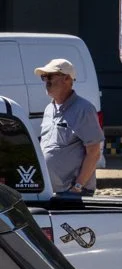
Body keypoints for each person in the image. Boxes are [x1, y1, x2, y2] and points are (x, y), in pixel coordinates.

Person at [34, 58, 102, 199]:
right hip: (50, 190)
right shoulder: (49, 109)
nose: (47, 81)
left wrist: (78, 186)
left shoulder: (84, 109)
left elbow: (94, 152)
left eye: (50, 76)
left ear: (67, 79)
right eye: (44, 77)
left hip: (73, 193)